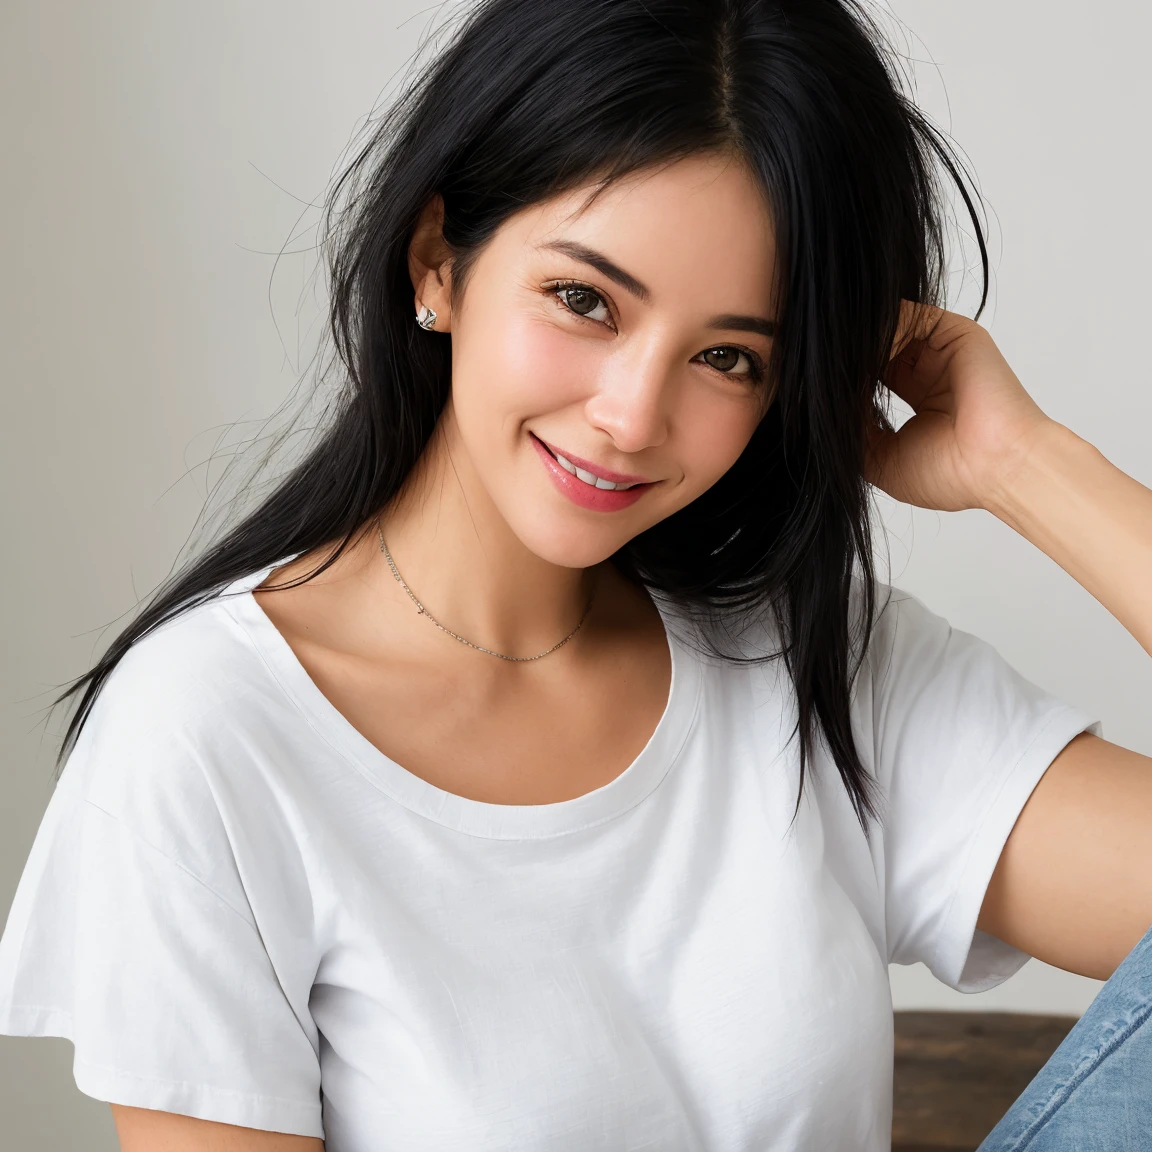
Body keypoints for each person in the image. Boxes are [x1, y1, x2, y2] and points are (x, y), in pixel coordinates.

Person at [1, 0, 1149, 1149]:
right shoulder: (207, 737)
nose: (631, 415)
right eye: (585, 300)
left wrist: (1028, 467)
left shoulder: (806, 664)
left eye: (727, 357)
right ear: (437, 262)